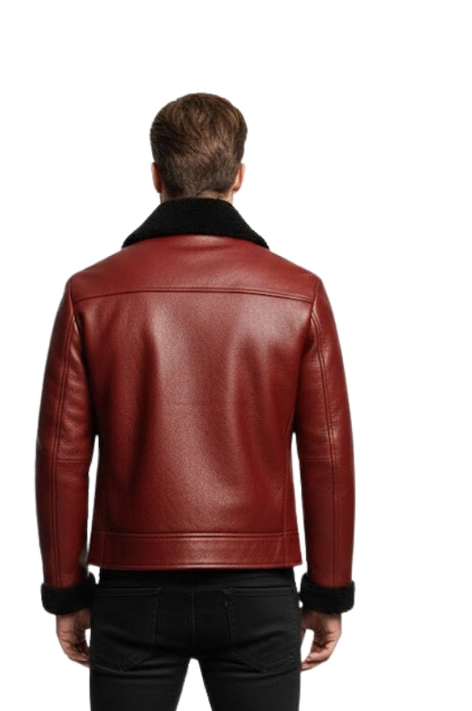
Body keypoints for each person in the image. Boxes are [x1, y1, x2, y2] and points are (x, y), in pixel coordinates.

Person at [35, 92, 356, 711]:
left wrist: (66, 590)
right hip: (258, 589)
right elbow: (328, 456)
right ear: (239, 176)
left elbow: (61, 456)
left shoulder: (90, 292)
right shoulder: (299, 293)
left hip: (132, 589)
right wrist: (328, 589)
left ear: (157, 176)